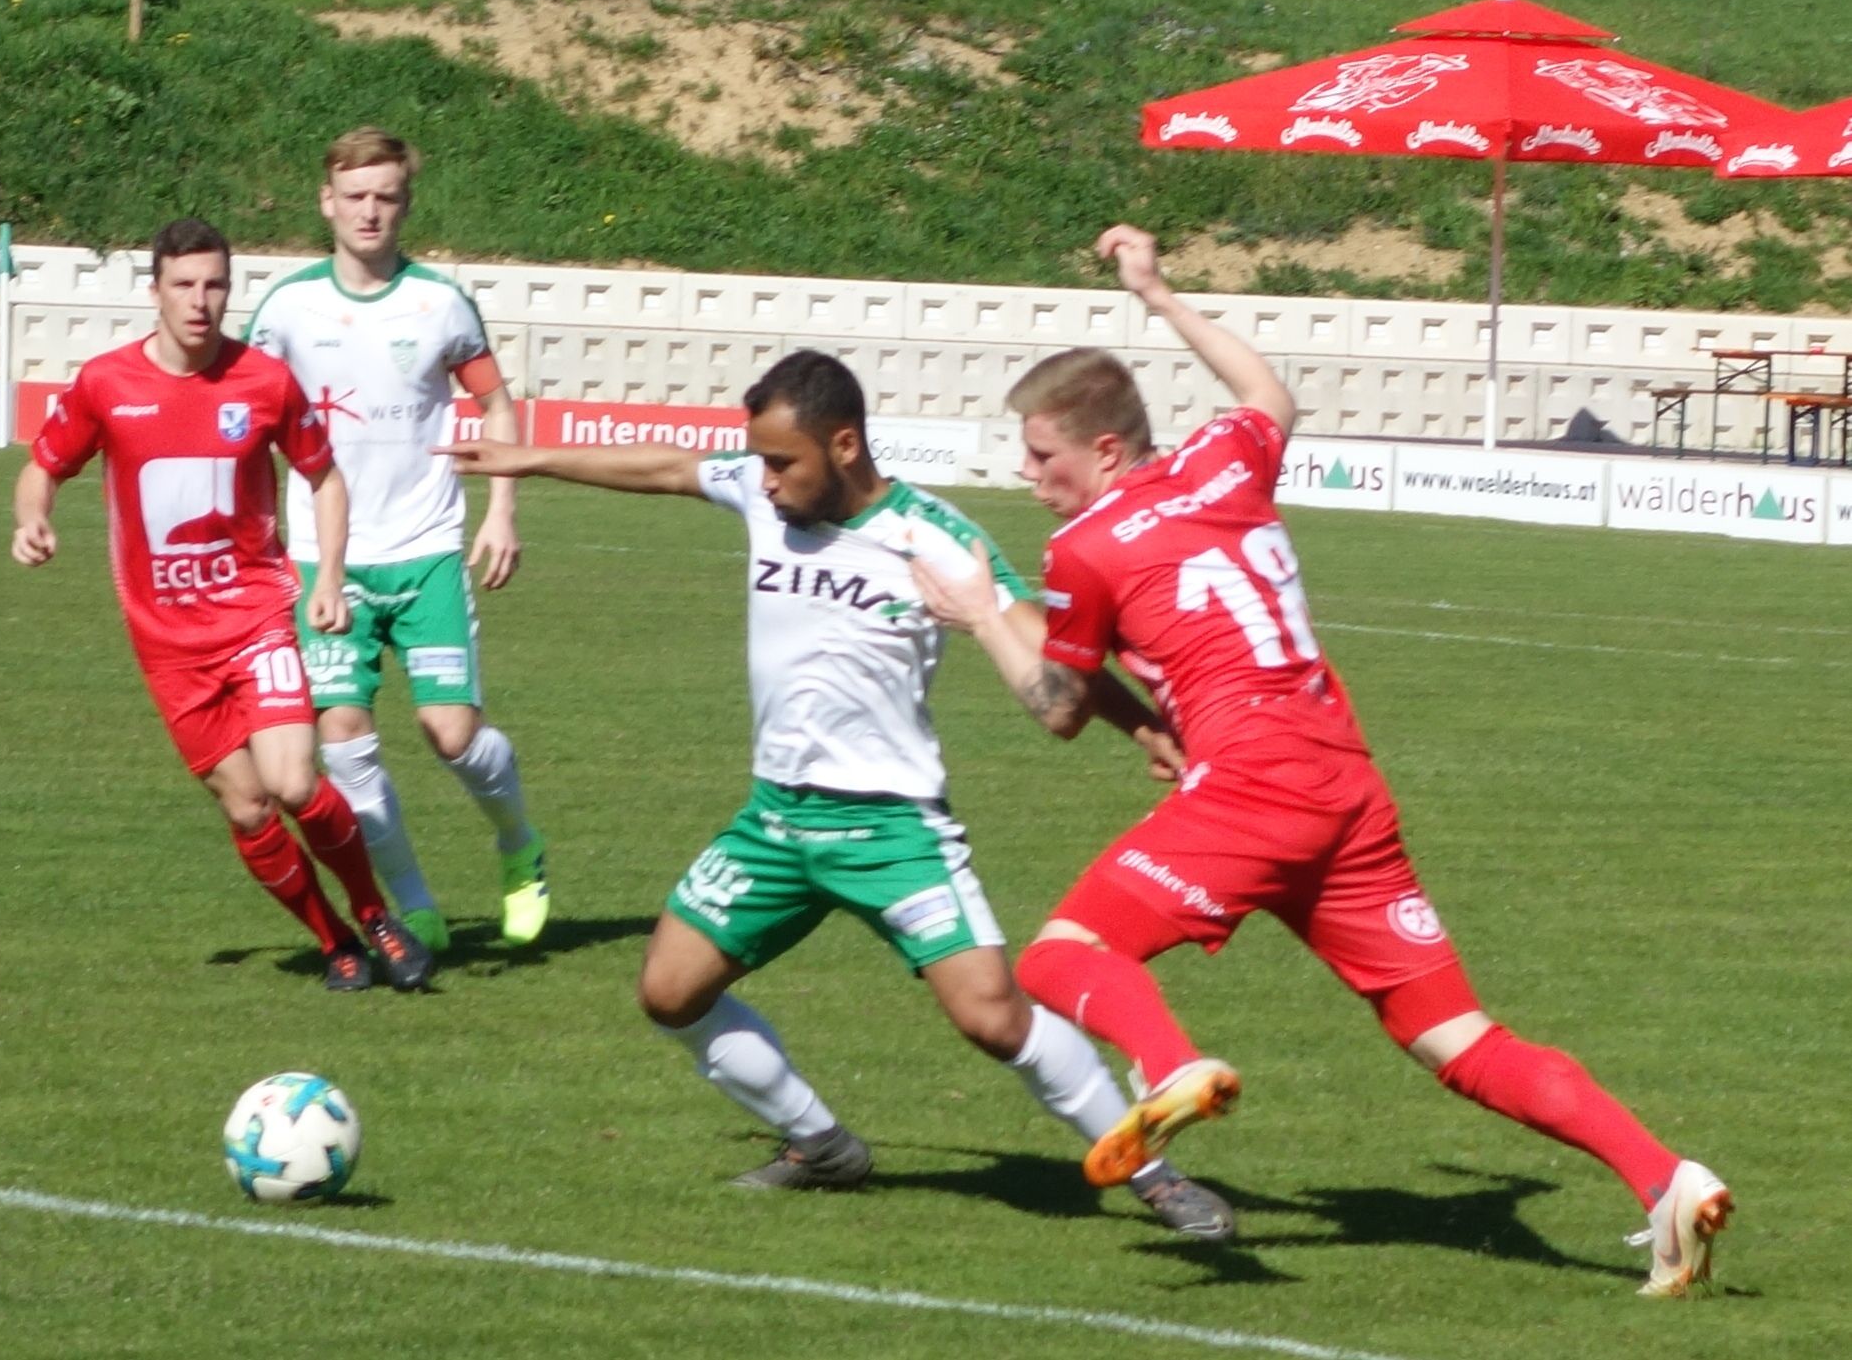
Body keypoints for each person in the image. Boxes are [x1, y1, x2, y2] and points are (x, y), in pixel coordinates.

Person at [912, 223, 1731, 1296]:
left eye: (1041, 455)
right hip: (1342, 785)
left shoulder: (1084, 547)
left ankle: (1170, 1067)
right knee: (1452, 1035)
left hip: (1253, 785)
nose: (1026, 474)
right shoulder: (1224, 459)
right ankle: (1664, 1177)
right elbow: (1268, 391)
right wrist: (1159, 294)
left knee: (1061, 958)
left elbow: (1059, 708)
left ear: (1105, 450)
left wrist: (982, 613)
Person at [439, 349, 1233, 1237]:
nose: (765, 479)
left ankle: (1154, 1174)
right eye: (760, 461)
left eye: (783, 461)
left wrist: (1143, 727)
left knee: (991, 1015)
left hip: (891, 827)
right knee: (669, 991)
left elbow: (1049, 648)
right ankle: (821, 1144)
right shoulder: (762, 494)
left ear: (844, 444)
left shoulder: (933, 535)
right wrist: (530, 458)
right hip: (775, 821)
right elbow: (666, 467)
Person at [10, 217, 433, 994]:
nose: (199, 301)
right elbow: (43, 466)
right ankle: (334, 939)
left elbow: (324, 477)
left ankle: (374, 912)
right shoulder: (106, 384)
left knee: (293, 781)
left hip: (256, 617)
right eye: (183, 285)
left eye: (214, 285)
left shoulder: (264, 380)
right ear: (155, 292)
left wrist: (328, 578)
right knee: (247, 807)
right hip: (167, 643)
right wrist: (31, 519)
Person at [244, 126, 546, 953]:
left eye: (385, 197)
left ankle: (519, 844)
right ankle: (411, 903)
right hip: (325, 561)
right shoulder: (286, 310)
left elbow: (496, 405)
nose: (369, 212)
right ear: (326, 202)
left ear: (405, 204)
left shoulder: (439, 304)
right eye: (355, 196)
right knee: (342, 734)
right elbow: (247, 421)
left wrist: (501, 510)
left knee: (452, 733)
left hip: (426, 550)